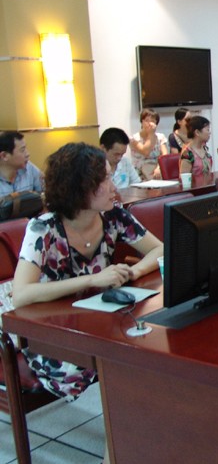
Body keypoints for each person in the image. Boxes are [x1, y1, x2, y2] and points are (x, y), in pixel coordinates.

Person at [12, 142, 163, 401]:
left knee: (151, 341)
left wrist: (134, 271)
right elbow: (21, 294)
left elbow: (159, 249)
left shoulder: (114, 216)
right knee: (102, 363)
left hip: (99, 319)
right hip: (53, 328)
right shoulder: (43, 228)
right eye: (105, 180)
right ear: (80, 187)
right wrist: (92, 279)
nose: (114, 187)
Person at [0, 130, 44, 198]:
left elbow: (45, 193)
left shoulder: (29, 167)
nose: (28, 154)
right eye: (22, 150)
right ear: (4, 156)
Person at [129, 108, 169, 180]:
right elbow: (145, 152)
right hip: (139, 174)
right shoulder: (133, 139)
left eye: (152, 121)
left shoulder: (160, 137)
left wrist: (159, 168)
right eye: (146, 120)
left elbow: (165, 155)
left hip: (156, 171)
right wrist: (151, 134)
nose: (149, 123)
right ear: (142, 122)